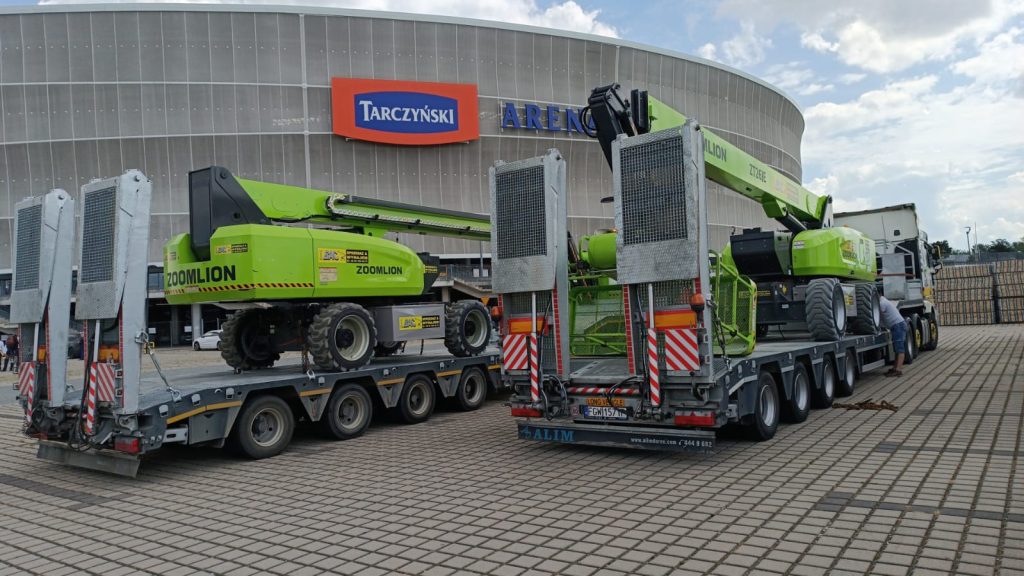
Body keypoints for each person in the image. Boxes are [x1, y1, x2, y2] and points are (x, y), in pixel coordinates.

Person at [879, 296, 906, 377]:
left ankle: (898, 370)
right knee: (896, 349)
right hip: (897, 325)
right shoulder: (884, 301)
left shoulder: (882, 303)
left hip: (898, 325)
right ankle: (895, 368)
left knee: (900, 348)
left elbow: (877, 314)